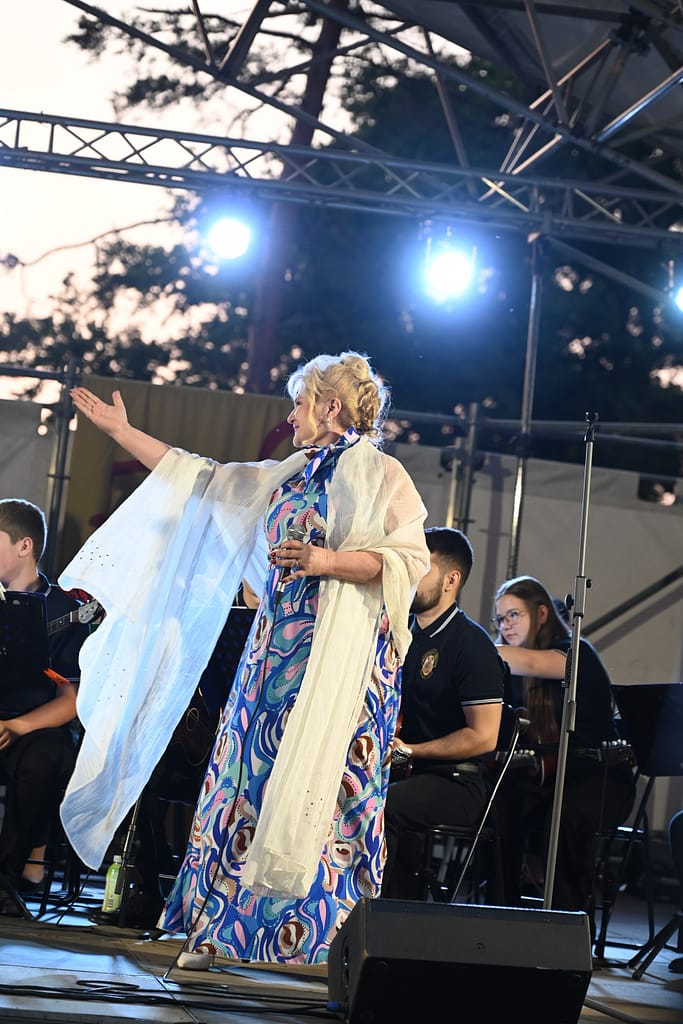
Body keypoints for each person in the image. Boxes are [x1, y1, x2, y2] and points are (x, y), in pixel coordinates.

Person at [60, 351, 429, 966]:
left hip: (343, 667)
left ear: (330, 407)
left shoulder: (384, 475)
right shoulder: (288, 472)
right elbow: (203, 479)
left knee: (328, 795)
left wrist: (326, 561)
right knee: (247, 780)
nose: (291, 417)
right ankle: (221, 930)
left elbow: (410, 563)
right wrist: (123, 433)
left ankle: (329, 944)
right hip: (273, 656)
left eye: (299, 403)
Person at [493, 575, 636, 917]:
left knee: (569, 815)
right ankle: (499, 910)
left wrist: (466, 648)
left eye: (514, 615)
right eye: (499, 619)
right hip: (547, 778)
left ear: (541, 613)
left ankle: (567, 923)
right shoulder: (509, 667)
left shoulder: (575, 651)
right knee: (499, 805)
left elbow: (532, 663)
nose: (505, 625)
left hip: (600, 776)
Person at [380, 527, 506, 900]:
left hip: (457, 782)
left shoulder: (471, 644)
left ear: (450, 581)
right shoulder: (402, 632)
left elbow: (484, 737)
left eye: (420, 567)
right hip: (407, 770)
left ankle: (387, 914)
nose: (409, 575)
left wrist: (411, 750)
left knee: (383, 805)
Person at [0, 499, 89, 908]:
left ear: (25, 546)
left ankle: (8, 875)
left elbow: (71, 699)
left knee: (48, 756)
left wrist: (16, 726)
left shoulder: (64, 610)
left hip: (30, 729)